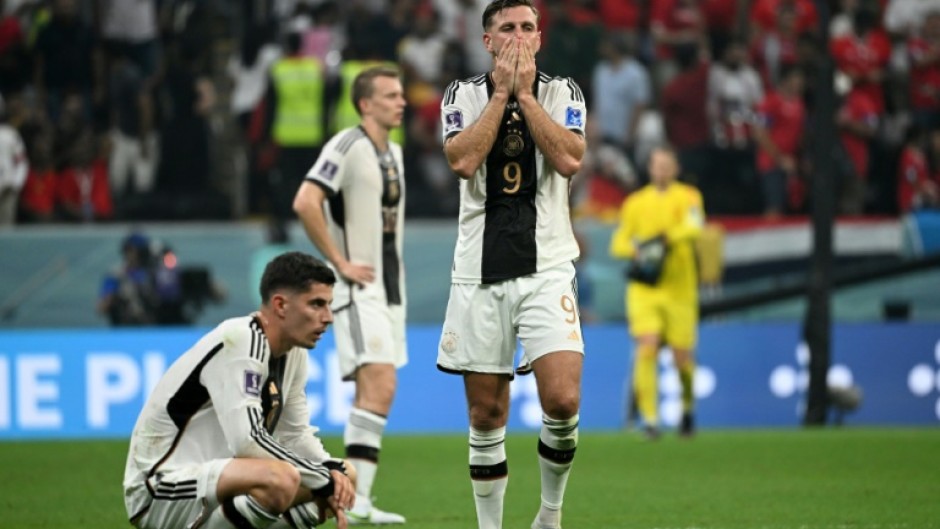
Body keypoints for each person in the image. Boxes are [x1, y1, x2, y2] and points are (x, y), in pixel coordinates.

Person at [436, 2, 587, 528]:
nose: (518, 37)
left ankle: (549, 514)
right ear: (488, 41)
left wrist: (525, 95)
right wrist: (502, 94)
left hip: (548, 266)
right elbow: (462, 160)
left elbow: (569, 159)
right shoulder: (461, 94)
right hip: (479, 271)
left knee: (562, 401)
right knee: (486, 414)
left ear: (539, 38)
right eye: (507, 29)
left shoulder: (563, 91)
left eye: (527, 28)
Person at [123, 251, 356, 529]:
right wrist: (323, 478)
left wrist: (332, 474)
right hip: (160, 487)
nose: (328, 317)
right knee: (282, 479)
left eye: (329, 305)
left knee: (346, 474)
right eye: (316, 304)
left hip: (216, 481)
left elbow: (295, 435)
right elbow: (247, 441)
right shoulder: (241, 339)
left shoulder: (293, 354)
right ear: (280, 305)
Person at [293, 66, 407, 525]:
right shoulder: (346, 145)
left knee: (373, 388)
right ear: (365, 104)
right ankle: (356, 499)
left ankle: (356, 500)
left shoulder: (394, 153)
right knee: (380, 384)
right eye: (390, 95)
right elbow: (306, 201)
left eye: (401, 94)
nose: (401, 102)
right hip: (359, 289)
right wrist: (339, 263)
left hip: (390, 288)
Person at [609, 145, 704, 439]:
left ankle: (687, 408)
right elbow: (618, 242)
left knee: (682, 359)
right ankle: (650, 420)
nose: (661, 170)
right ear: (650, 169)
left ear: (676, 168)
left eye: (667, 165)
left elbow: (695, 226)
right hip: (645, 289)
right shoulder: (635, 203)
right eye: (657, 165)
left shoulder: (689, 196)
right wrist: (636, 250)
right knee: (646, 348)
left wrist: (665, 239)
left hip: (680, 289)